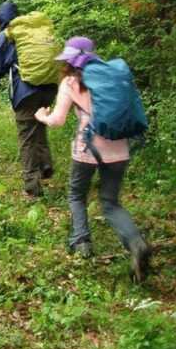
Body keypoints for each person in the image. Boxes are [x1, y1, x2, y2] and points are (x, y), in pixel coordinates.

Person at [35, 37, 151, 281]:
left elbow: (57, 120)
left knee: (77, 194)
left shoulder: (70, 82)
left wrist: (42, 116)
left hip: (87, 149)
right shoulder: (112, 77)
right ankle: (135, 242)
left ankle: (81, 243)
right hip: (119, 148)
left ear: (70, 60)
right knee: (110, 202)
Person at [0, 1, 57, 196]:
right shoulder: (32, 31)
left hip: (26, 90)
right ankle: (45, 165)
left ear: (0, 19)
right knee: (39, 124)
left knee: (27, 135)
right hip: (50, 86)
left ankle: (32, 185)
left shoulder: (7, 35)